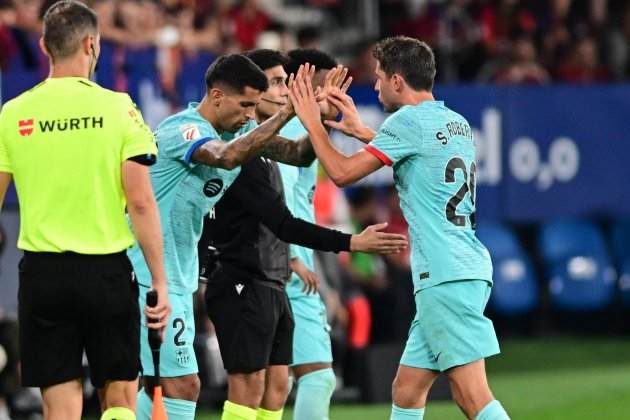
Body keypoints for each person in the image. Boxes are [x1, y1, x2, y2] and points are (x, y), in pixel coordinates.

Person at [288, 36, 510, 420]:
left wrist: (313, 123)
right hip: (462, 266)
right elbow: (419, 161)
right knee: (406, 391)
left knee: (472, 396)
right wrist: (362, 132)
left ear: (396, 80)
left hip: (444, 275)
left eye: (378, 78)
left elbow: (340, 173)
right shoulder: (452, 121)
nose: (374, 87)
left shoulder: (405, 122)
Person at [202, 48, 407, 420]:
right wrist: (344, 244)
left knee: (278, 384)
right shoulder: (241, 141)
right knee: (254, 385)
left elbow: (299, 156)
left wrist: (321, 121)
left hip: (277, 267)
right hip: (253, 269)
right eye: (279, 84)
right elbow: (279, 217)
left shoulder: (275, 139)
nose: (285, 92)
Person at [130, 53, 331, 420]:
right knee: (181, 384)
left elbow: (299, 154)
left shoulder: (237, 133)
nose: (251, 115)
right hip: (146, 270)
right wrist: (287, 113)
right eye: (245, 105)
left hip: (178, 274)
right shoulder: (184, 130)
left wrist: (323, 117)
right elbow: (223, 157)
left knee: (155, 382)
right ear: (217, 95)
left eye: (256, 107)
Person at [0, 2, 170, 420]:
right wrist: (160, 280)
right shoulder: (119, 108)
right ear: (92, 43)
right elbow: (141, 201)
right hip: (106, 275)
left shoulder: (14, 112)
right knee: (120, 404)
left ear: (43, 46)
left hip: (43, 277)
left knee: (60, 410)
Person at [278, 48, 345, 420]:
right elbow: (281, 199)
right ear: (301, 81)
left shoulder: (296, 126)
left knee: (274, 383)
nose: (331, 96)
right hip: (287, 265)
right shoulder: (289, 128)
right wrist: (292, 258)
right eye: (325, 86)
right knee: (317, 377)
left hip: (283, 260)